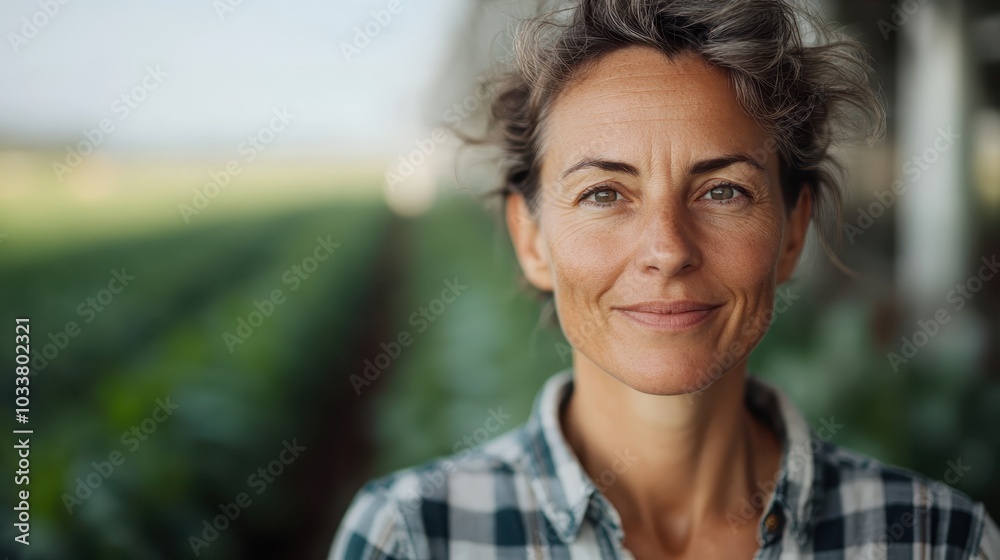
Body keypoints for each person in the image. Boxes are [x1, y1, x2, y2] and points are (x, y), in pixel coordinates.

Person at [329, 0, 1000, 557]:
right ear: (530, 238)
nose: (667, 249)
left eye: (724, 192)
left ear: (794, 231)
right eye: (603, 194)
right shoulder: (413, 536)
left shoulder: (938, 539)